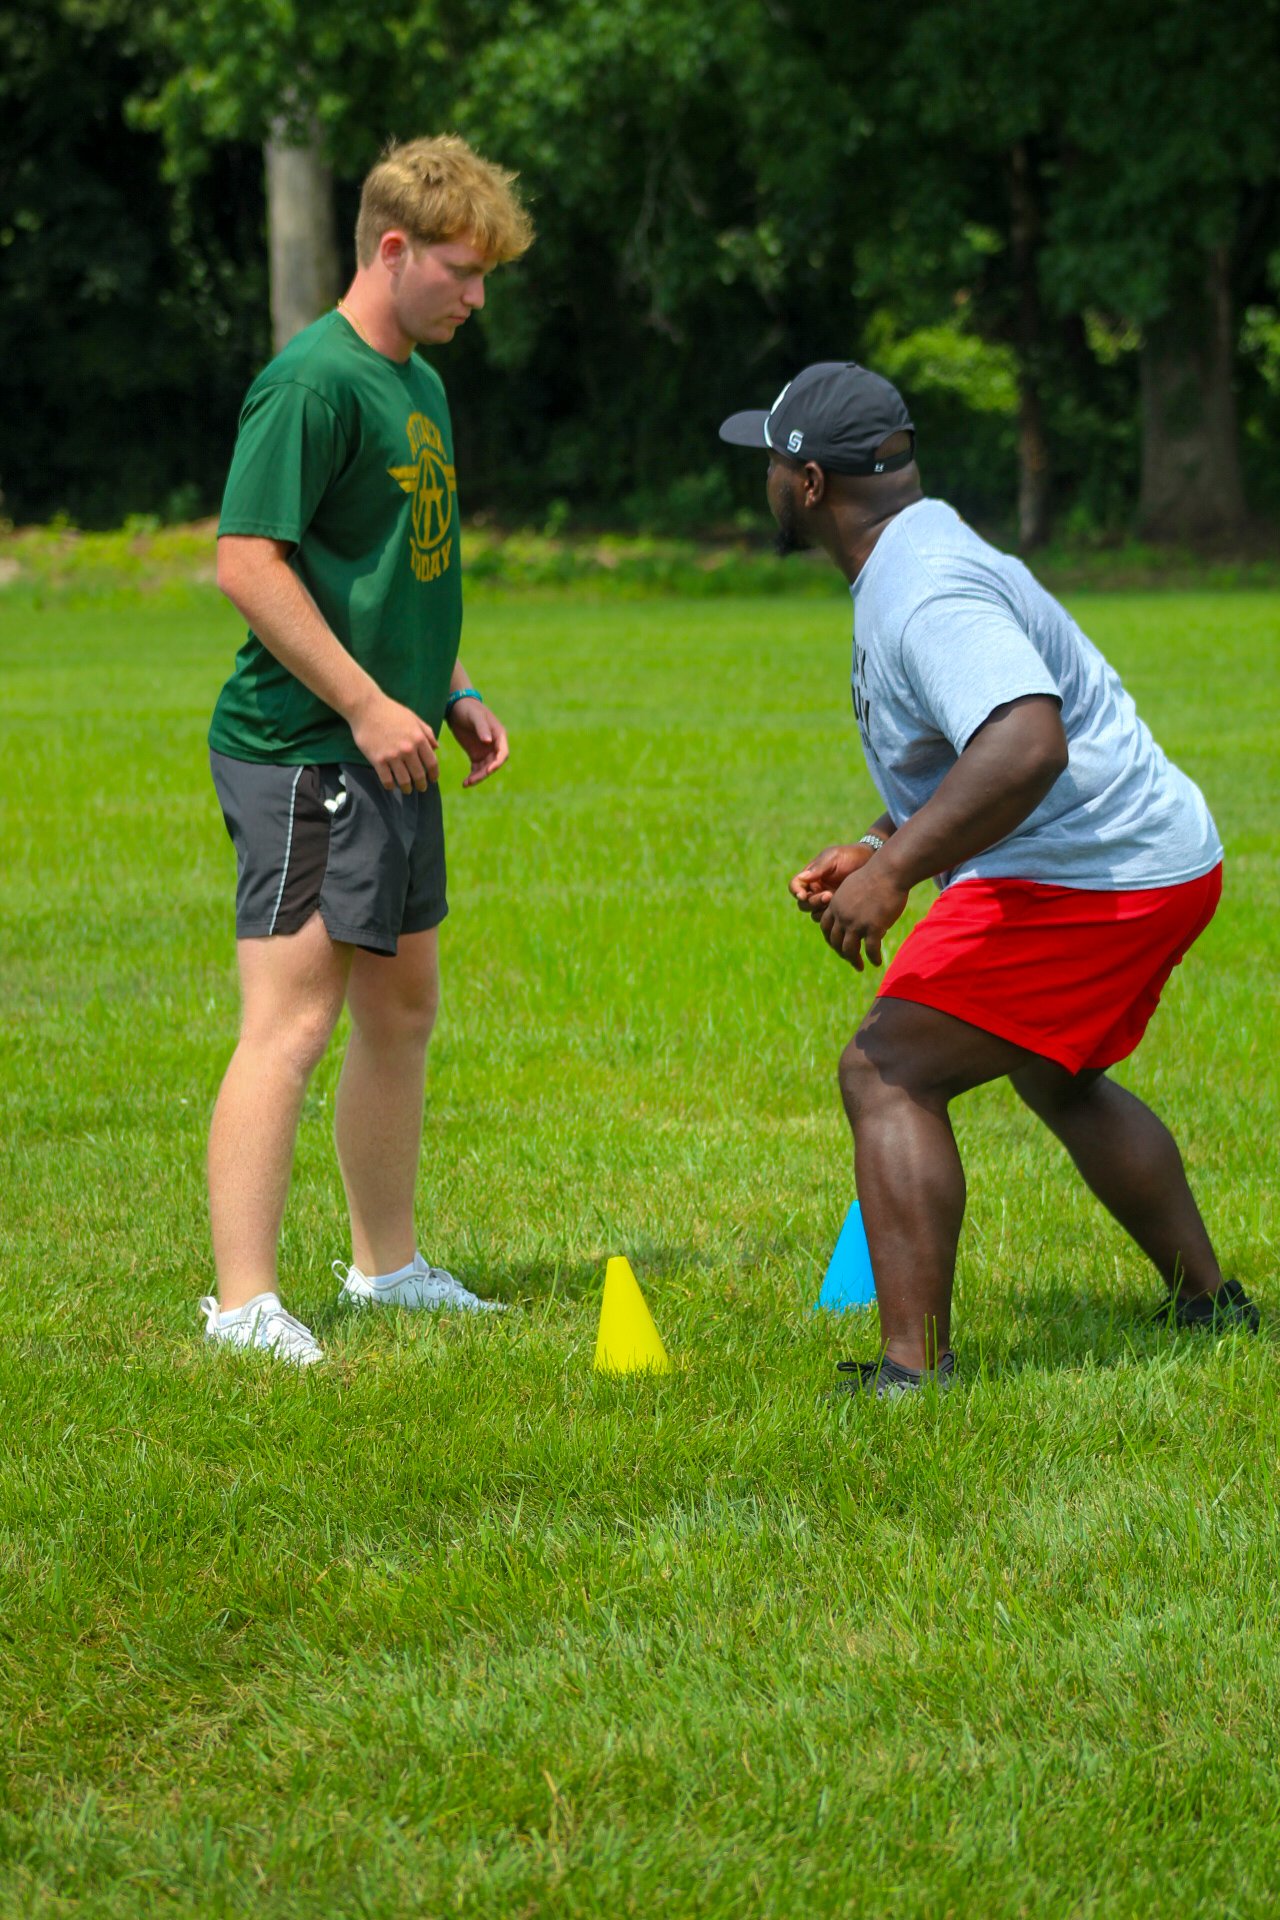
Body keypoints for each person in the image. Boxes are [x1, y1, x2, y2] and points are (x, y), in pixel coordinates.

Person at [719, 361, 1258, 1398]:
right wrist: (882, 842)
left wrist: (899, 874)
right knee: (1052, 1071)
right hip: (1139, 854)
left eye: (770, 466)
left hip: (1103, 871)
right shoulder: (914, 554)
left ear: (811, 484)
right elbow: (966, 743)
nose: (765, 485)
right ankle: (1207, 1304)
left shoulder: (919, 588)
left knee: (885, 1070)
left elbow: (1023, 744)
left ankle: (912, 1376)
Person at [200, 135, 534, 1364]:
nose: (476, 294)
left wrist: (448, 691)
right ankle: (242, 1305)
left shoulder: (419, 382)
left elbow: (391, 568)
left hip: (388, 744)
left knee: (401, 1008)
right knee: (289, 1024)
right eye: (459, 268)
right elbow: (249, 562)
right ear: (390, 249)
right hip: (302, 751)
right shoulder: (312, 383)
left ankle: (385, 1270)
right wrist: (362, 706)